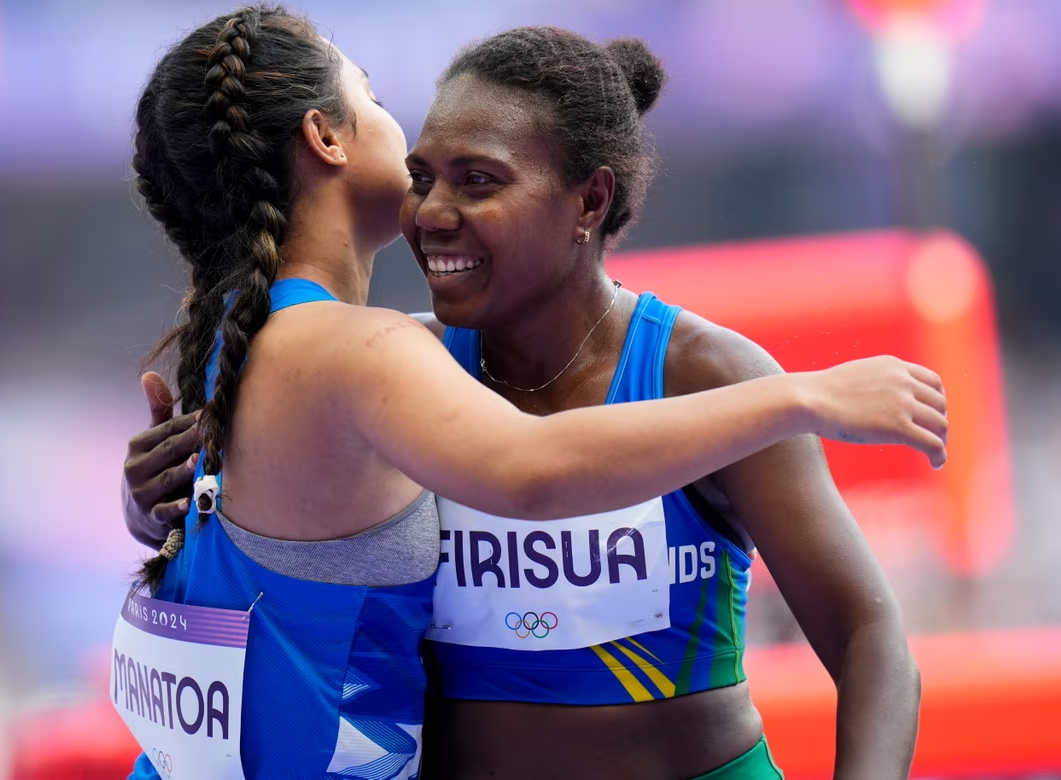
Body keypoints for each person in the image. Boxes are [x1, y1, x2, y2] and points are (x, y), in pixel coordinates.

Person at [122, 7, 947, 778]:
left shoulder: (710, 377)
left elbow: (869, 631)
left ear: (589, 198)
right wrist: (159, 505)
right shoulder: (397, 366)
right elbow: (526, 470)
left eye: (478, 181)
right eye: (422, 177)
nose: (433, 211)